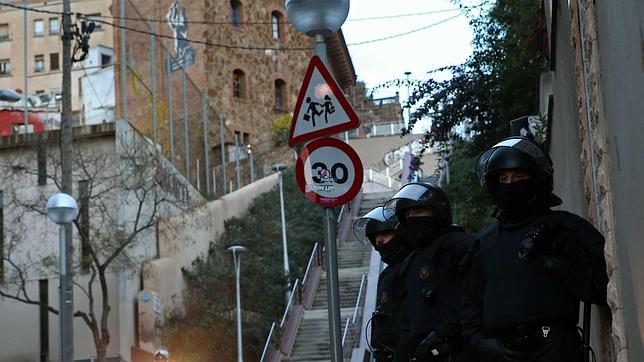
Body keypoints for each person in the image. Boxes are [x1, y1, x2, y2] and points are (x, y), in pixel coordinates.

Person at [461, 136, 609, 362]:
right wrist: (486, 345)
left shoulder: (566, 229)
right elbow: (467, 312)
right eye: (503, 178)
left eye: (519, 176)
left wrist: (561, 269)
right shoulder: (483, 244)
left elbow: (606, 285)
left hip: (555, 350)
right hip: (502, 353)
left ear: (536, 180)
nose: (510, 184)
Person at [382, 182, 475, 362]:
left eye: (419, 212)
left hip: (462, 350)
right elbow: (408, 318)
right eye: (407, 215)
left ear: (437, 212)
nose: (412, 218)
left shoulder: (461, 245)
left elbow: (475, 300)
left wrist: (445, 333)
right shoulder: (412, 261)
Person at [354, 205, 412, 361]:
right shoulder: (387, 274)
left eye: (385, 233)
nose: (379, 240)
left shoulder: (414, 265)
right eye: (375, 236)